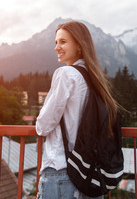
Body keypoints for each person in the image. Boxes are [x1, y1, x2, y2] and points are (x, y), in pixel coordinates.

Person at [36, 20, 119, 199]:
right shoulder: (94, 79)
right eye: (56, 42)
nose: (56, 47)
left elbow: (43, 126)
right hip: (89, 174)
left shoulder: (66, 74)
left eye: (63, 42)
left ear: (79, 46)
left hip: (61, 171)